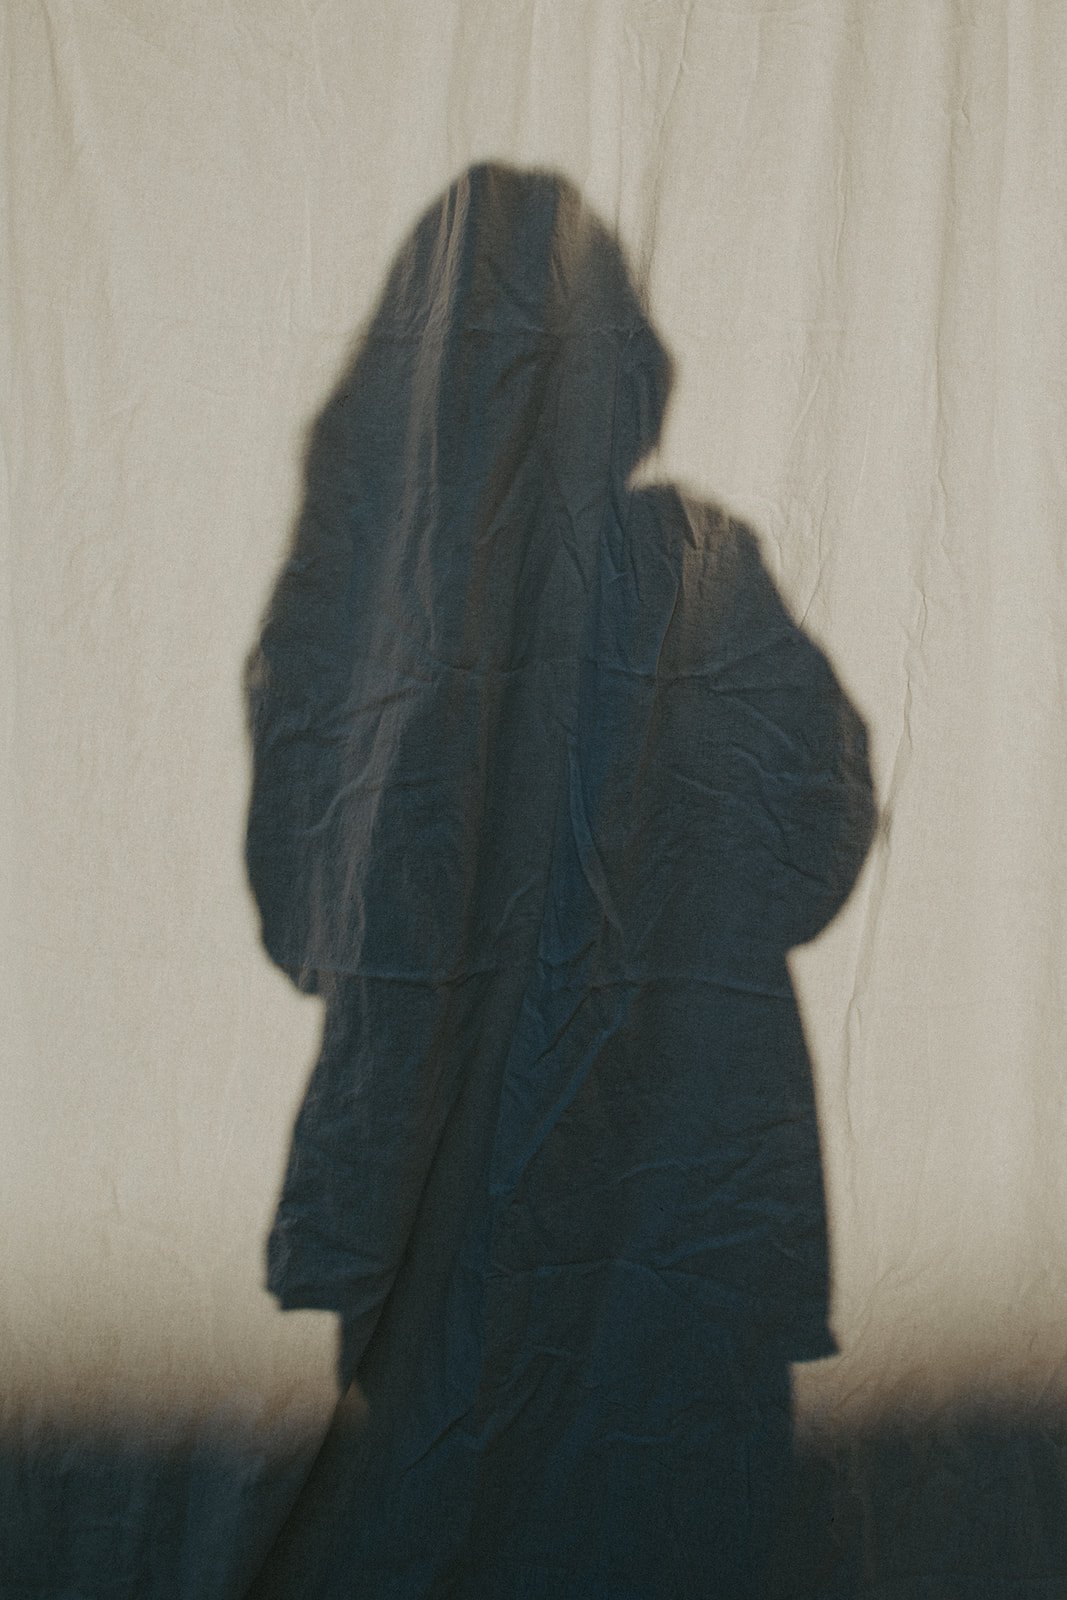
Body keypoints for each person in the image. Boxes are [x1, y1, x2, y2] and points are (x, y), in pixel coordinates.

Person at [244, 162, 875, 1599]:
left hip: (532, 1179)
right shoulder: (668, 566)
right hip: (659, 1177)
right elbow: (821, 821)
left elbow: (306, 906)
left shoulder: (390, 590)